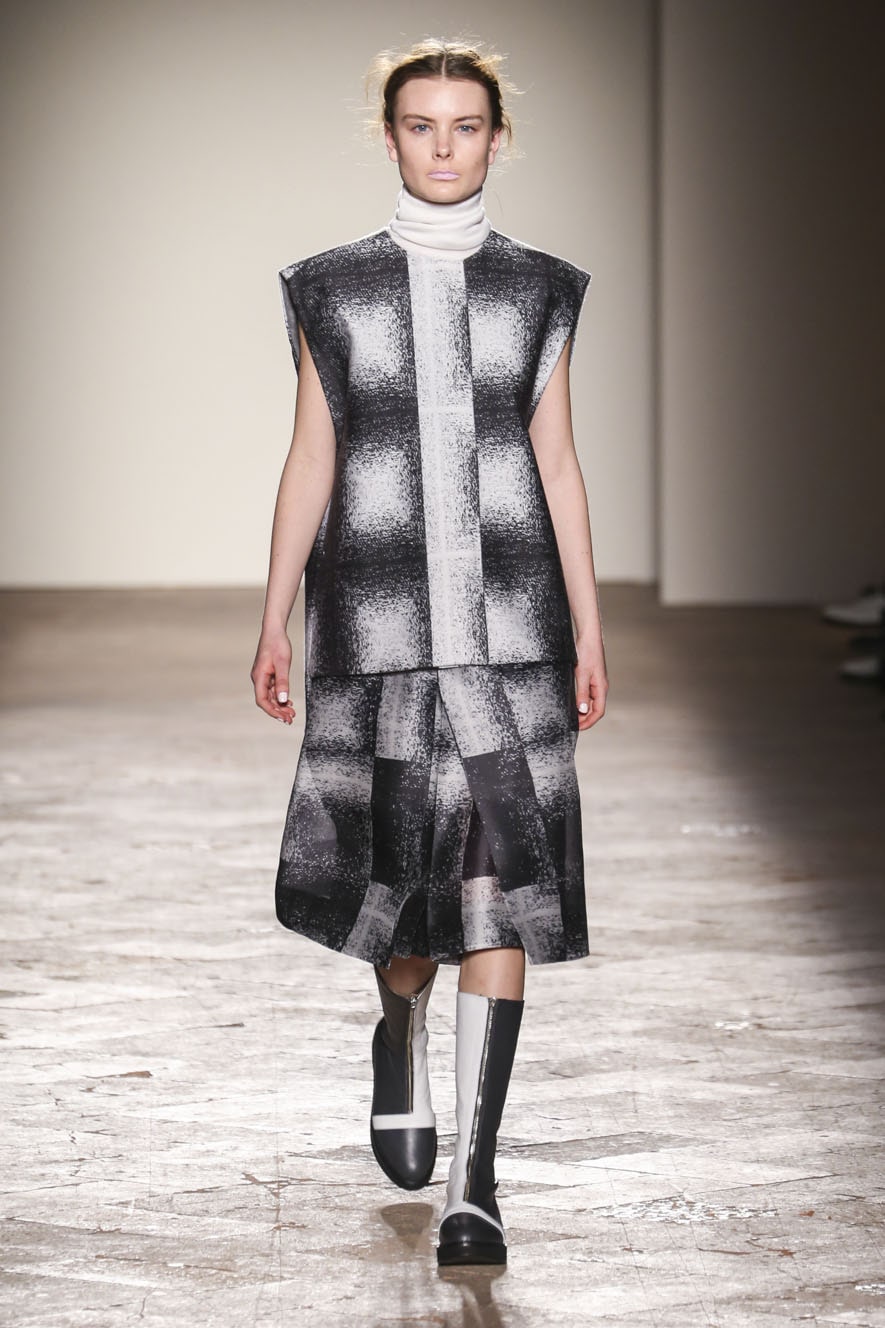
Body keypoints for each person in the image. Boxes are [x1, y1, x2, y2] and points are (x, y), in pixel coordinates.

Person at [251, 38, 608, 1267]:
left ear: (497, 137)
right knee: (405, 902)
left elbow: (557, 463)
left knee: (500, 890)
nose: (445, 145)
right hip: (383, 627)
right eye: (421, 124)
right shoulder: (330, 287)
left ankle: (476, 1179)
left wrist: (589, 624)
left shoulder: (543, 288)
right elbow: (313, 454)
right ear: (391, 135)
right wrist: (274, 611)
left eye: (465, 125)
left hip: (514, 634)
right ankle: (397, 1024)